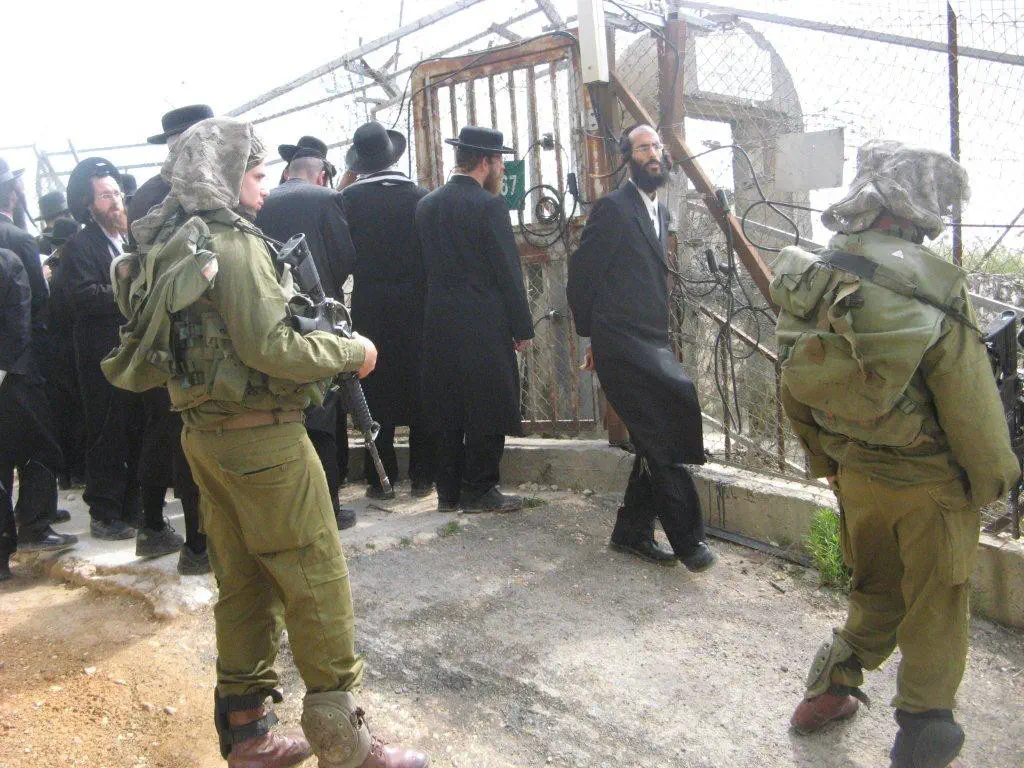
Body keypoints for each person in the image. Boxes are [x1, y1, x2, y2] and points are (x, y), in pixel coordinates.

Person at [128, 116, 429, 768]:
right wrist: (352, 351)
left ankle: (248, 734)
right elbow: (271, 347)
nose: (264, 188)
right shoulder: (233, 248)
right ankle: (348, 746)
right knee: (315, 581)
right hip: (264, 443)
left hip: (209, 440)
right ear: (225, 175)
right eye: (257, 174)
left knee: (244, 587)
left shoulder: (182, 241)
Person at [775, 140, 1020, 768]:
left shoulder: (816, 272)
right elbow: (972, 407)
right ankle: (923, 731)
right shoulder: (933, 287)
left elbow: (793, 379)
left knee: (874, 589)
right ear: (916, 209)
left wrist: (828, 463)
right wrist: (993, 484)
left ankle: (826, 692)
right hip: (929, 488)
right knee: (936, 605)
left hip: (855, 474)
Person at [566, 123, 715, 572]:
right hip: (621, 343)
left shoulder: (660, 211)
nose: (652, 154)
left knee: (659, 431)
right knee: (660, 434)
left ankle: (631, 531)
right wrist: (593, 338)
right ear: (627, 158)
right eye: (642, 148)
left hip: (652, 342)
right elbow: (582, 277)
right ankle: (689, 542)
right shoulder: (613, 209)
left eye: (656, 147)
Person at [62, 157, 182, 557]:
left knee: (135, 428)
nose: (115, 202)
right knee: (106, 431)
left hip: (129, 352)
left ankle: (132, 507)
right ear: (88, 205)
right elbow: (81, 297)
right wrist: (126, 287)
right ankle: (105, 511)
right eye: (104, 196)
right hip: (100, 354)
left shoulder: (127, 239)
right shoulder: (80, 246)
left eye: (116, 193)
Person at [416, 126, 533, 513]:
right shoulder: (489, 206)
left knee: (447, 402)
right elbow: (507, 270)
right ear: (486, 161)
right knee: (488, 402)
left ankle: (448, 492)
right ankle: (480, 489)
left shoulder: (426, 205)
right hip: (483, 319)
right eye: (500, 161)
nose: (502, 169)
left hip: (437, 319)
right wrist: (521, 327)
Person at [124, 105, 216, 574]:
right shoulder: (193, 190)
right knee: (188, 429)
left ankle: (152, 525)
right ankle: (198, 546)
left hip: (152, 328)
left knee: (162, 428)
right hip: (189, 330)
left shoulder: (146, 193)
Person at [255, 134, 358, 529]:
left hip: (274, 317)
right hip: (320, 315)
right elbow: (345, 257)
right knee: (325, 411)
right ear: (321, 176)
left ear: (286, 173)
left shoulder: (262, 203)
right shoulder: (328, 199)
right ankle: (328, 504)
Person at [341, 121, 436, 500]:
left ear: (360, 161)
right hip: (416, 302)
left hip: (370, 304)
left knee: (373, 384)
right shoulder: (421, 197)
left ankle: (381, 479)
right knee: (419, 382)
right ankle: (424, 475)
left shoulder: (348, 200)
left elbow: (343, 256)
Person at [0, 245, 78, 580]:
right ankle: (34, 527)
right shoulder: (8, 262)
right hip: (16, 380)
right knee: (42, 450)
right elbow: (19, 325)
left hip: (12, 376)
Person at [35, 190, 75, 256]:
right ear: (64, 216)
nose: (71, 217)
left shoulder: (34, 244)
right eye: (68, 213)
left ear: (45, 219)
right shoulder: (72, 240)